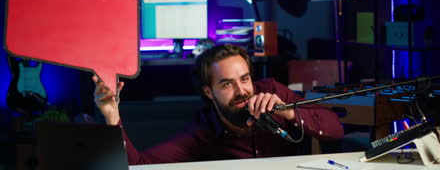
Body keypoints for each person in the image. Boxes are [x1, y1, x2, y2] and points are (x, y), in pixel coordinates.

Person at [93, 44, 343, 165]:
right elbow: (138, 166)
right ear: (208, 92)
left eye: (244, 79)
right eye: (226, 84)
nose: (241, 91)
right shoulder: (200, 133)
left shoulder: (273, 93)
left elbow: (335, 129)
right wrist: (112, 114)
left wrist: (289, 111)